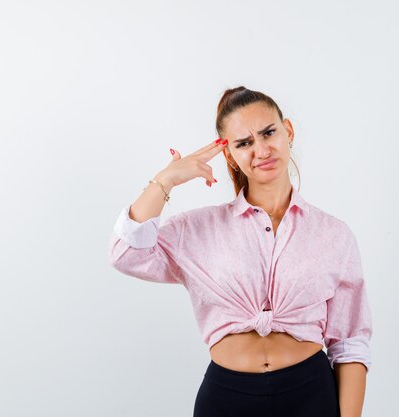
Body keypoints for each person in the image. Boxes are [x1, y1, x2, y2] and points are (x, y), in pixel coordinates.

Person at [108, 86, 373, 417]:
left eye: (268, 133)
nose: (261, 150)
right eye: (244, 143)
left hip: (311, 395)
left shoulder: (333, 235)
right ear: (229, 154)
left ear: (287, 131)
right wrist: (166, 180)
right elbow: (126, 253)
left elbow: (349, 344)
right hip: (226, 400)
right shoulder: (198, 230)